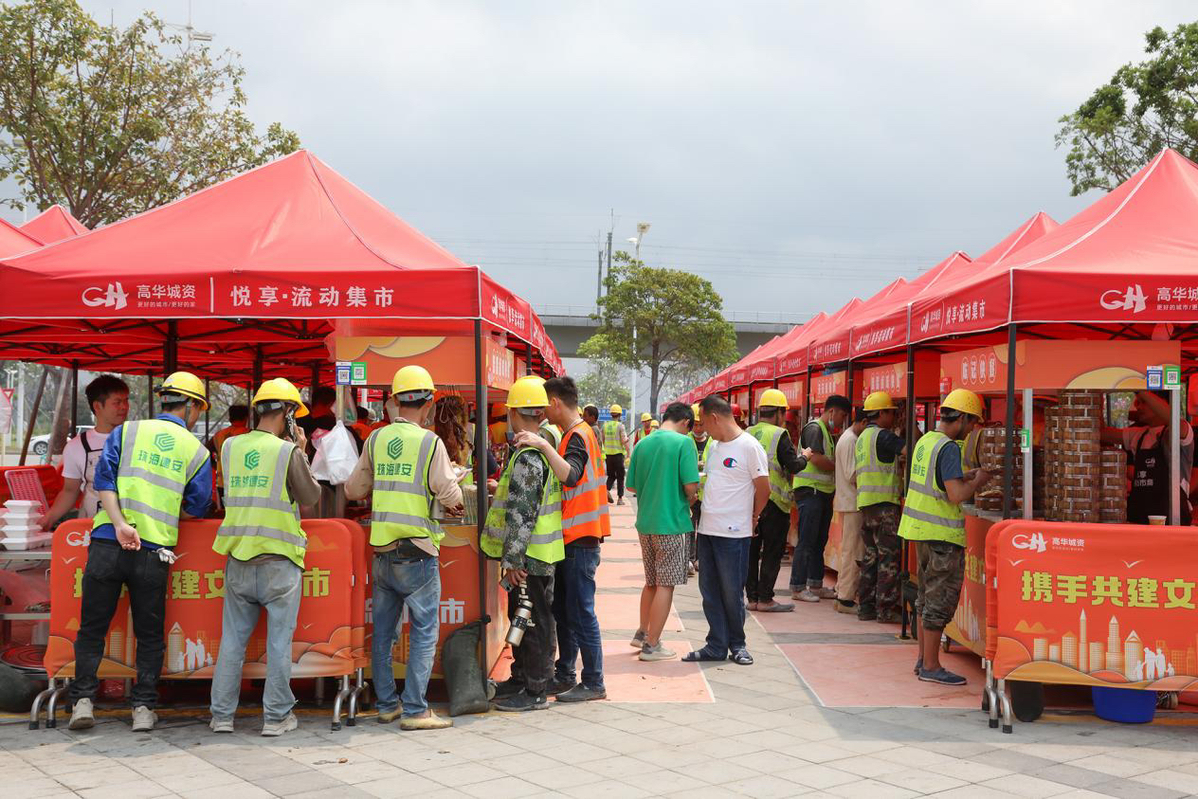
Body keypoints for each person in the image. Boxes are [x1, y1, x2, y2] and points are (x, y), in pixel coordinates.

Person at [68, 372, 212, 732]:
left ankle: (83, 703)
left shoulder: (125, 432)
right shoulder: (196, 451)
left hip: (107, 541)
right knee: (149, 633)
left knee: (92, 628)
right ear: (192, 407)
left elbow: (103, 482)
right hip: (154, 550)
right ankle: (143, 709)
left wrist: (119, 524)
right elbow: (198, 505)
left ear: (164, 400)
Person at [344, 365, 462, 730]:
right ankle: (415, 710)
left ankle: (386, 705)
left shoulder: (376, 439)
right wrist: (454, 479)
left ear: (393, 401)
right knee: (424, 630)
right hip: (419, 551)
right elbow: (451, 495)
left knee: (383, 633)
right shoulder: (431, 443)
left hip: (382, 551)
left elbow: (353, 491)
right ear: (429, 403)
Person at [209, 378, 320, 737]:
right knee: (278, 643)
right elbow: (310, 496)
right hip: (279, 562)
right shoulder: (286, 452)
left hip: (238, 558)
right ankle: (275, 718)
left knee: (232, 641)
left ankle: (221, 716)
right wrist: (301, 451)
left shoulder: (229, 446)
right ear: (288, 414)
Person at [518, 376, 611, 702]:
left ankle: (594, 681)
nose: (542, 413)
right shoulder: (580, 433)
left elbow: (570, 475)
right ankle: (566, 672)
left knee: (582, 612)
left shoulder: (576, 436)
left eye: (545, 405)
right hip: (577, 536)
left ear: (555, 403)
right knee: (567, 611)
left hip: (580, 538)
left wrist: (542, 444)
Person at [899, 389, 991, 686]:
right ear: (962, 418)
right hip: (942, 537)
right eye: (973, 423)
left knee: (926, 598)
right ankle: (931, 665)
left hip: (920, 533)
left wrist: (967, 476)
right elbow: (955, 494)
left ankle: (921, 660)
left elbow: (938, 483)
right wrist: (979, 480)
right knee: (939, 600)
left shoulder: (927, 441)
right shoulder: (949, 447)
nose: (973, 429)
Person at [483, 379, 564, 711]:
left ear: (513, 413)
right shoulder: (542, 445)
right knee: (526, 616)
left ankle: (535, 690)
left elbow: (522, 513)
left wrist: (513, 561)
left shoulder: (529, 454)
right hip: (537, 552)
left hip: (530, 557)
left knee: (533, 622)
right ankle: (521, 678)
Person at [683, 395, 769, 666]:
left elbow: (763, 488)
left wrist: (753, 517)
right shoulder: (715, 446)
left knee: (732, 591)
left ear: (715, 417)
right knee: (709, 590)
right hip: (707, 530)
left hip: (734, 533)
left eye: (704, 422)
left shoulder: (749, 447)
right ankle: (715, 644)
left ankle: (738, 644)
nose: (703, 428)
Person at [626, 402, 699, 661]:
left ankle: (642, 632)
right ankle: (652, 645)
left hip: (646, 523)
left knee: (652, 582)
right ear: (686, 423)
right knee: (666, 585)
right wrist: (690, 497)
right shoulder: (683, 443)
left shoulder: (642, 444)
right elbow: (691, 486)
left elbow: (632, 487)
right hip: (672, 523)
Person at [745, 390, 811, 613]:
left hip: (750, 501)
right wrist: (806, 456)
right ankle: (766, 599)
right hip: (774, 502)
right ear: (780, 412)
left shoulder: (747, 432)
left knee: (751, 551)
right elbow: (794, 466)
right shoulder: (779, 434)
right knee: (772, 552)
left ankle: (752, 598)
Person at [40, 375, 130, 529]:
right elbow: (69, 491)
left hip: (132, 527)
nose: (124, 407)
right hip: (93, 528)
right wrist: (47, 520)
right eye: (117, 402)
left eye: (126, 400)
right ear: (97, 406)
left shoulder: (136, 438)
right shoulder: (77, 446)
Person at [1101, 389, 1194, 524]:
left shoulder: (1181, 431)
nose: (1137, 406)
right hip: (1139, 519)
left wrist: (1139, 389)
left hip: (1172, 522)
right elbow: (1099, 433)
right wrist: (1096, 400)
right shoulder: (1138, 435)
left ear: (1161, 403)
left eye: (1143, 402)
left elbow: (1174, 420)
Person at [791, 394, 851, 602]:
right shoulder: (815, 428)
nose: (842, 420)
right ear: (832, 411)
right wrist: (839, 467)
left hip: (822, 493)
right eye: (842, 415)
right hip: (811, 491)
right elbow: (815, 459)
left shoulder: (825, 431)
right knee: (807, 540)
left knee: (818, 541)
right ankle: (798, 587)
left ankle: (815, 584)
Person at [855, 392, 906, 624]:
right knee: (889, 558)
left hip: (866, 505)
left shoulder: (863, 436)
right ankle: (885, 609)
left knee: (871, 556)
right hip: (885, 505)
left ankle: (865, 607)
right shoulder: (883, 436)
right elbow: (910, 451)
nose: (894, 417)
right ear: (882, 413)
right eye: (892, 413)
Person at [832, 410, 868, 615]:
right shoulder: (851, 440)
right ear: (862, 422)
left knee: (849, 550)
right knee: (852, 551)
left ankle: (842, 591)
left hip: (849, 502)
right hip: (852, 502)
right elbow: (852, 473)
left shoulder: (848, 438)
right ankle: (845, 597)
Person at [687, 403, 712, 575]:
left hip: (707, 494)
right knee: (689, 527)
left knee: (703, 529)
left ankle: (700, 559)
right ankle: (688, 559)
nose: (698, 428)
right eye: (695, 424)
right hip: (690, 494)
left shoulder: (713, 441)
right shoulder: (685, 440)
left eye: (700, 424)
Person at [210, 404, 250, 502]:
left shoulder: (219, 435)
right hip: (244, 483)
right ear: (246, 418)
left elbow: (206, 452)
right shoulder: (250, 434)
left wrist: (216, 466)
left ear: (230, 418)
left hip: (222, 482)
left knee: (225, 513)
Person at [602, 403, 630, 505]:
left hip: (608, 455)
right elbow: (623, 441)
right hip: (618, 454)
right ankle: (620, 499)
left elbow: (603, 440)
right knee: (620, 477)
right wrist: (628, 452)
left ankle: (605, 490)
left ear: (611, 414)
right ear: (619, 415)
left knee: (611, 475)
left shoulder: (605, 426)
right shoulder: (620, 426)